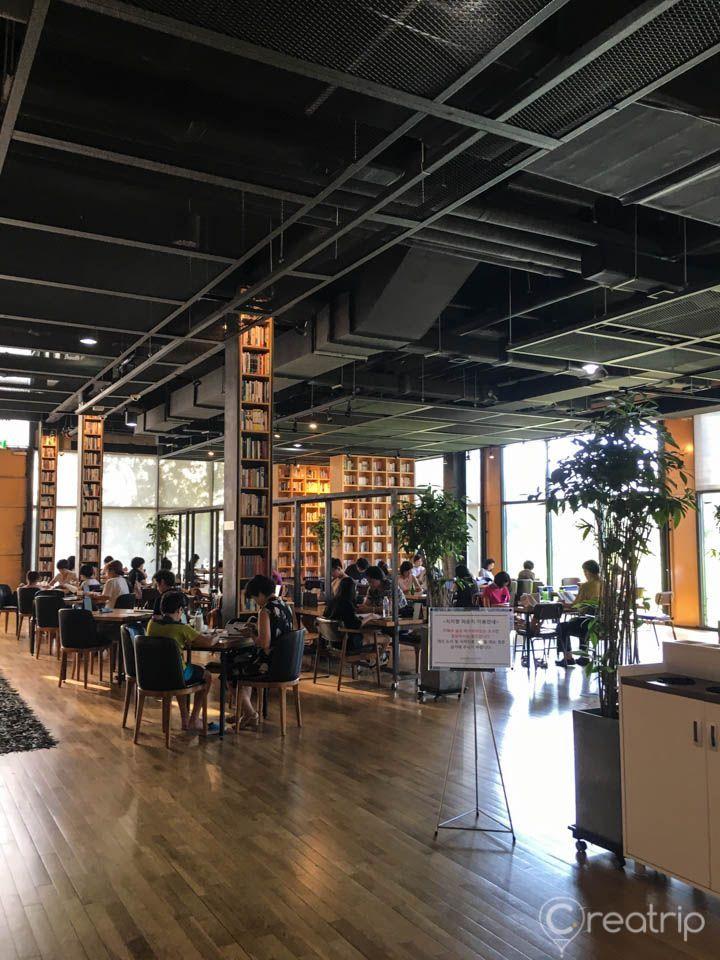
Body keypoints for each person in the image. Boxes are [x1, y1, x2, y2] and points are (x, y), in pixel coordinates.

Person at [232, 574, 294, 729]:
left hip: (270, 665)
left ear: (260, 593)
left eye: (254, 598)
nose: (255, 602)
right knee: (243, 664)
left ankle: (251, 714)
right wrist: (257, 630)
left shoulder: (265, 611)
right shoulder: (286, 606)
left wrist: (252, 635)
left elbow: (264, 644)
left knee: (230, 670)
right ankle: (246, 712)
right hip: (287, 663)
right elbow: (278, 633)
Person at [146, 590, 213, 731]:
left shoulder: (152, 625)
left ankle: (185, 718)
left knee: (179, 670)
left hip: (152, 674)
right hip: (177, 676)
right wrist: (217, 636)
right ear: (180, 610)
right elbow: (208, 642)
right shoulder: (182, 628)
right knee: (206, 675)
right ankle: (194, 719)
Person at [556, 559, 602, 668]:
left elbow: (576, 605)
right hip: (600, 623)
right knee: (581, 621)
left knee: (562, 627)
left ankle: (568, 657)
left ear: (587, 572)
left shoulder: (586, 586)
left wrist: (563, 603)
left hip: (587, 623)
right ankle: (584, 657)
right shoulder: (604, 584)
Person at [324, 575, 364, 651]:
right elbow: (356, 625)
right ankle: (378, 659)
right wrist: (370, 617)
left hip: (331, 641)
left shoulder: (332, 602)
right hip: (347, 642)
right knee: (385, 638)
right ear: (352, 590)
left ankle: (371, 659)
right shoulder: (347, 604)